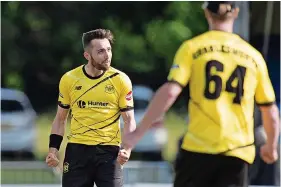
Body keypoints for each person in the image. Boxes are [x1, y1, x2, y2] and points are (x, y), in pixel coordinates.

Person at [123, 2, 280, 187]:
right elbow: (269, 110)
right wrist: (271, 146)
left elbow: (171, 92)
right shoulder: (254, 57)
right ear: (236, 13)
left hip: (198, 149)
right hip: (237, 151)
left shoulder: (192, 48)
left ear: (206, 12)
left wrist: (137, 133)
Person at [45, 29, 136, 187]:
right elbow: (60, 118)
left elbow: (129, 120)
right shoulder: (69, 79)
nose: (107, 55)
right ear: (87, 55)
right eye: (100, 51)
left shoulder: (121, 80)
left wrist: (127, 149)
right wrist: (53, 150)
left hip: (109, 152)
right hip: (77, 152)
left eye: (109, 49)